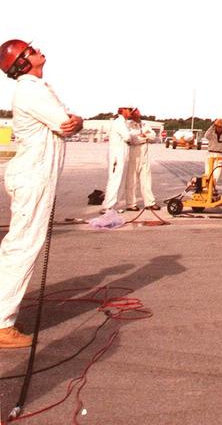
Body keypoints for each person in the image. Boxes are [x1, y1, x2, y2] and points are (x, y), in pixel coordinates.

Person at [0, 39, 83, 349]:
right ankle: (2, 323)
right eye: (30, 50)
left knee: (18, 245)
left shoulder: (35, 87)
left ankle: (3, 313)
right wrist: (75, 123)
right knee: (22, 247)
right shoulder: (31, 90)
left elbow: (70, 123)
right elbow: (65, 124)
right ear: (23, 61)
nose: (37, 50)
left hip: (34, 175)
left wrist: (78, 122)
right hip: (32, 176)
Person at [101, 107, 140, 212]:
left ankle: (113, 206)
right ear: (123, 110)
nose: (130, 112)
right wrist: (135, 134)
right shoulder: (119, 122)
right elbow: (127, 137)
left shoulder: (124, 123)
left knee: (120, 181)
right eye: (129, 110)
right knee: (115, 180)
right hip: (117, 156)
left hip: (122, 155)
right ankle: (108, 206)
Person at [129, 109, 160, 211]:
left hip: (144, 153)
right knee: (131, 180)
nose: (137, 113)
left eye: (137, 110)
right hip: (133, 154)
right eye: (134, 111)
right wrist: (145, 137)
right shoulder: (128, 125)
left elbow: (153, 137)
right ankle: (131, 204)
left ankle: (149, 203)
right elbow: (132, 140)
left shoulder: (145, 124)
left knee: (146, 179)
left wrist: (144, 135)